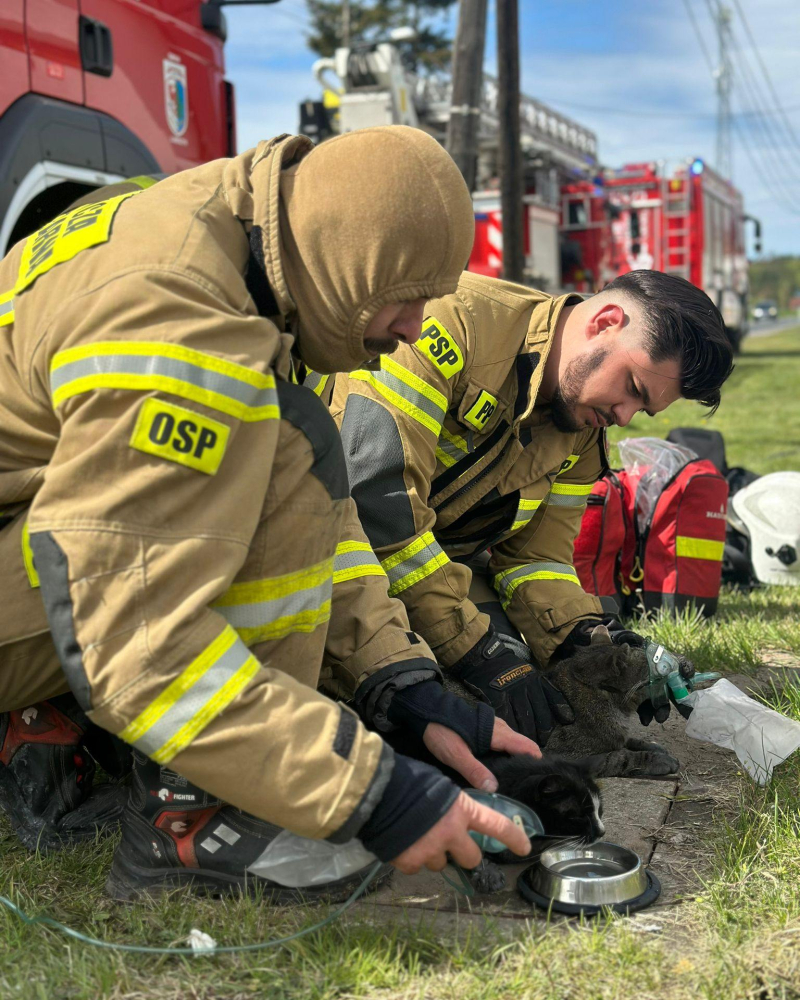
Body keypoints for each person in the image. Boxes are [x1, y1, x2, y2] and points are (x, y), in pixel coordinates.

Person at [0, 127, 536, 900]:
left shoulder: (246, 243)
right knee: (283, 439)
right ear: (348, 258)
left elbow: (314, 520)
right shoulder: (178, 315)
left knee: (285, 441)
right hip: (73, 582)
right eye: (407, 298)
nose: (416, 330)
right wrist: (366, 790)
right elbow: (133, 639)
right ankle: (199, 822)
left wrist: (400, 681)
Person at [331, 269, 735, 742]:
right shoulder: (448, 325)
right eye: (632, 388)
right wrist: (476, 650)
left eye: (641, 410)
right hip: (333, 541)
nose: (623, 417)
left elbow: (537, 560)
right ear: (605, 321)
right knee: (415, 690)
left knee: (527, 691)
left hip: (429, 563)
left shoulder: (583, 426)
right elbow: (379, 505)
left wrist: (590, 643)